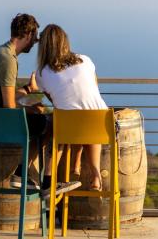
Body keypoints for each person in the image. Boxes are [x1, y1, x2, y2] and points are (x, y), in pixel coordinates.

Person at [0, 14, 80, 195]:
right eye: (35, 36)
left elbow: (4, 96)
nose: (36, 42)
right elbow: (9, 107)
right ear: (28, 34)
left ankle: (25, 174)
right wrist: (32, 109)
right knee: (49, 123)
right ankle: (42, 180)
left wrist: (28, 90)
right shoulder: (8, 60)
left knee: (41, 118)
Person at [36, 24, 107, 192]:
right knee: (88, 118)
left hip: (69, 129)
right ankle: (96, 175)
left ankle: (50, 176)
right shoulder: (85, 60)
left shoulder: (42, 73)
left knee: (60, 122)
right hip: (103, 124)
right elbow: (94, 88)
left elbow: (56, 101)